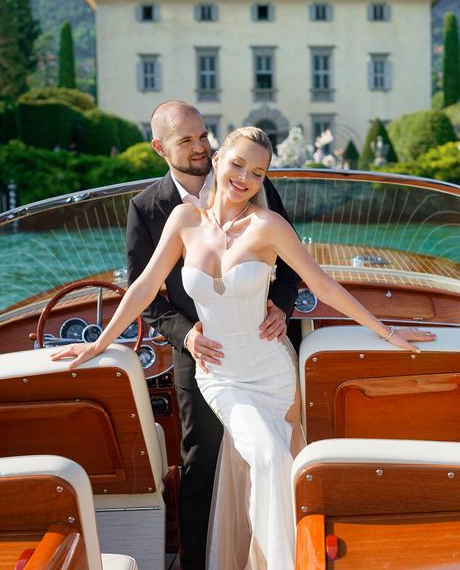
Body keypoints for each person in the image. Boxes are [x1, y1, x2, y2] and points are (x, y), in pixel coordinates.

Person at [51, 126, 436, 569]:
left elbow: (324, 286)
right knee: (270, 458)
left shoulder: (268, 226)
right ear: (216, 160)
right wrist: (99, 341)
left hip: (272, 373)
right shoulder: (183, 220)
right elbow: (143, 288)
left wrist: (388, 333)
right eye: (237, 164)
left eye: (257, 172)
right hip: (221, 377)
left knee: (272, 464)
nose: (245, 178)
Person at [124, 101, 300, 570]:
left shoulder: (253, 182)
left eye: (204, 136)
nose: (200, 147)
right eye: (187, 140)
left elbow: (291, 267)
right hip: (200, 358)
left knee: (270, 458)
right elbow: (145, 292)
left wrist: (279, 308)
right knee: (201, 467)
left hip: (263, 350)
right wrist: (187, 336)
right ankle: (200, 561)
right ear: (160, 147)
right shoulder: (147, 209)